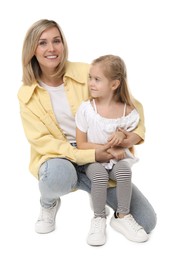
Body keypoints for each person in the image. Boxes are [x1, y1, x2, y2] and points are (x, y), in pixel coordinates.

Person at [17, 19, 156, 241]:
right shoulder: (27, 95)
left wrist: (128, 138)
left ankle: (116, 210)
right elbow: (43, 142)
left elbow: (129, 104)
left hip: (101, 154)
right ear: (32, 49)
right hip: (61, 157)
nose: (51, 49)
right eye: (42, 43)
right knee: (58, 176)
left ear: (63, 44)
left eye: (56, 41)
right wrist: (88, 154)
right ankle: (49, 202)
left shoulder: (86, 72)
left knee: (147, 222)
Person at [75, 54, 148, 246]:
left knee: (124, 171)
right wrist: (108, 148)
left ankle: (122, 216)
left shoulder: (128, 112)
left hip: (118, 160)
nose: (91, 83)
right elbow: (81, 143)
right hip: (94, 160)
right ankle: (99, 218)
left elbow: (136, 135)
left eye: (97, 79)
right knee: (99, 176)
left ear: (114, 85)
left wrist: (123, 138)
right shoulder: (87, 109)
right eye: (90, 77)